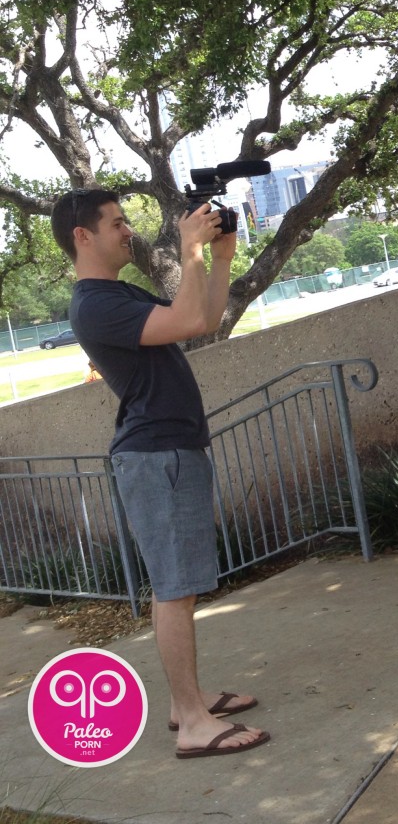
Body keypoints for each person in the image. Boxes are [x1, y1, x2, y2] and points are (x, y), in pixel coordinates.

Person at [50, 188, 270, 758]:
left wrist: (219, 257)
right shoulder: (94, 304)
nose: (129, 231)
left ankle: (185, 701)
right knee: (174, 589)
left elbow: (201, 320)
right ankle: (193, 722)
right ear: (83, 236)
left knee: (182, 587)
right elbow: (188, 317)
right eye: (117, 223)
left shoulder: (116, 293)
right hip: (156, 455)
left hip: (167, 450)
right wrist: (188, 247)